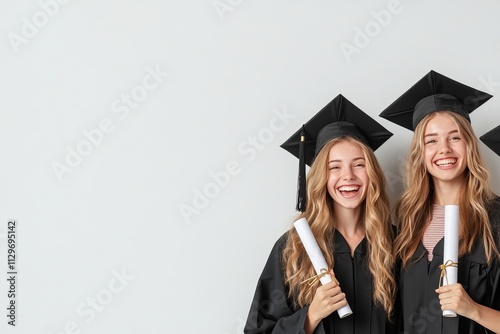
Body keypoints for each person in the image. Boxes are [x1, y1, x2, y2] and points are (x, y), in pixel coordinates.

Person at [244, 94, 398, 334]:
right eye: (334, 167)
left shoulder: (395, 243)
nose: (348, 175)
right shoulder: (292, 249)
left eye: (359, 164)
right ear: (321, 179)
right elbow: (258, 330)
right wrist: (310, 317)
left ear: (372, 173)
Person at [380, 70, 500, 334]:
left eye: (455, 137)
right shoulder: (409, 221)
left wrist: (474, 310)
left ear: (469, 145)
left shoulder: (495, 220)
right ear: (420, 153)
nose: (444, 149)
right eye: (431, 140)